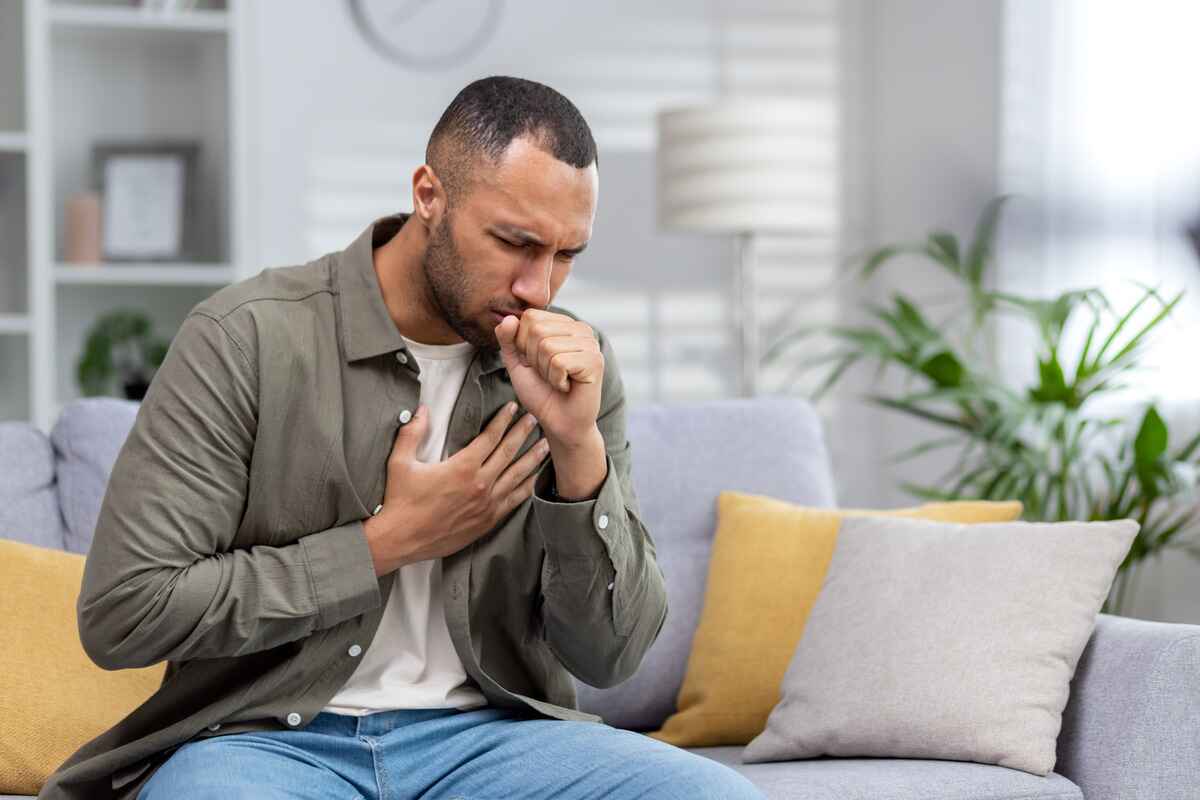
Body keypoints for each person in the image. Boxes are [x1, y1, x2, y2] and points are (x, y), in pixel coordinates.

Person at [39, 76, 767, 800]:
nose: (539, 288)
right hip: (263, 743)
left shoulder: (577, 368)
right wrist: (386, 542)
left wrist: (580, 453)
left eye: (566, 253)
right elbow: (125, 613)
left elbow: (612, 655)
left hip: (492, 742)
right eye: (514, 242)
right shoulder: (246, 338)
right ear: (429, 195)